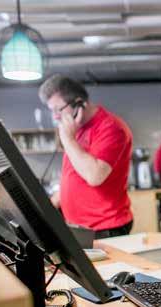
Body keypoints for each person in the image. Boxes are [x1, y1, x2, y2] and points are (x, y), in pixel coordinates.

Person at [39, 75, 133, 239]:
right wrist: (54, 201)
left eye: (57, 109)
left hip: (104, 227)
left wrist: (67, 140)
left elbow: (95, 176)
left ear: (79, 103)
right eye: (51, 110)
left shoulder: (111, 128)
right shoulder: (76, 128)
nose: (55, 116)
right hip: (78, 225)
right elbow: (74, 173)